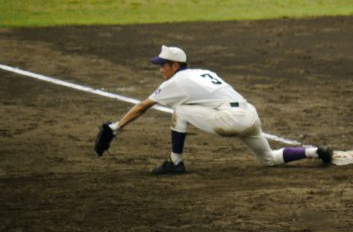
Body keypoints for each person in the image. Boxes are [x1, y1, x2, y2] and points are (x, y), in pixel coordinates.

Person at [105, 45, 333, 174]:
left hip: (229, 119)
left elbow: (143, 106)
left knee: (181, 109)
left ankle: (175, 162)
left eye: (163, 65)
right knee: (268, 159)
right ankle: (315, 152)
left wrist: (116, 127)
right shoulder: (203, 72)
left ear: (175, 66)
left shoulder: (175, 82)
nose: (160, 70)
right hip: (249, 114)